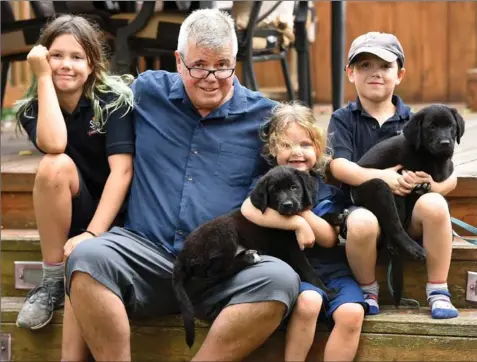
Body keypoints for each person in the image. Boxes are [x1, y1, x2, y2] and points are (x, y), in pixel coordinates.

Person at [61, 9, 302, 361]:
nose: (211, 77)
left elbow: (299, 167)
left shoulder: (265, 118)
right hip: (143, 251)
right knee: (86, 260)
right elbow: (83, 102)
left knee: (280, 280)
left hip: (222, 265)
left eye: (223, 65)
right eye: (199, 66)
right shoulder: (145, 93)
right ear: (178, 60)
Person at [15, 15, 135, 330]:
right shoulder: (32, 109)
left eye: (77, 57)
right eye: (56, 56)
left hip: (117, 218)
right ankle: (53, 281)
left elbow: (122, 172)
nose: (65, 64)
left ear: (92, 66)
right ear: (42, 58)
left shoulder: (113, 101)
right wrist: (43, 78)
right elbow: (54, 144)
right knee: (55, 164)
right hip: (71, 213)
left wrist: (92, 234)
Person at [327, 31, 459, 319]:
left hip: (409, 216)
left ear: (400, 74)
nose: (375, 73)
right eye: (365, 66)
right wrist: (381, 177)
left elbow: (451, 175)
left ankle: (438, 290)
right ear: (350, 73)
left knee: (435, 205)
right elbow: (337, 166)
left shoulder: (417, 120)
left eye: (385, 66)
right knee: (361, 222)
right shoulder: (343, 119)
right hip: (365, 214)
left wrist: (436, 186)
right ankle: (368, 289)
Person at [241, 102, 366, 362]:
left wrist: (302, 212)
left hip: (333, 271)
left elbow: (330, 239)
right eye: (286, 145)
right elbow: (249, 209)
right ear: (272, 150)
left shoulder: (326, 190)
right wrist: (295, 223)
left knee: (352, 313)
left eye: (305, 145)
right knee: (308, 302)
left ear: (318, 149)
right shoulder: (267, 185)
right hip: (295, 273)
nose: (296, 152)